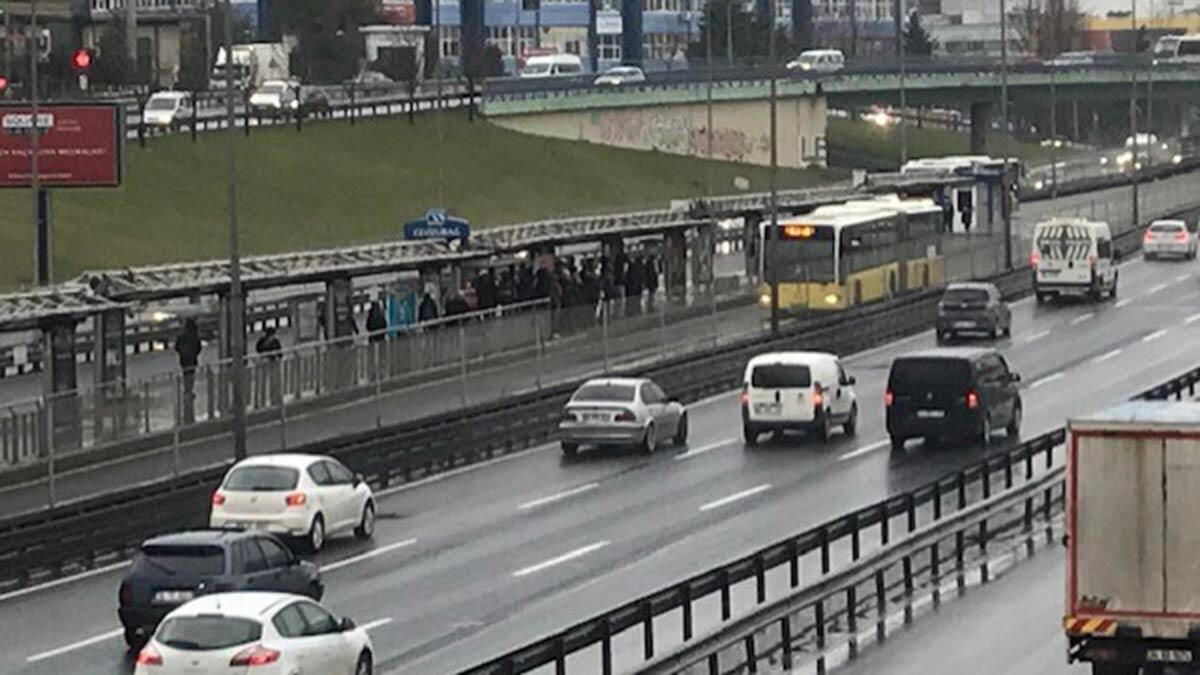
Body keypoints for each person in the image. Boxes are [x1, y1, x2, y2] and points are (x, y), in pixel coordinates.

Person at [174, 318, 203, 425]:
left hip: (184, 359)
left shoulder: (181, 336)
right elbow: (199, 347)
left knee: (185, 374)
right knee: (191, 375)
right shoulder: (194, 335)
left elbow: (176, 347)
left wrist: (182, 352)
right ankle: (189, 390)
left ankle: (186, 390)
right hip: (192, 359)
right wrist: (194, 353)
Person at [254, 326, 283, 407]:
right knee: (270, 383)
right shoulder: (274, 341)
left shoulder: (262, 341)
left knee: (265, 383)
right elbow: (280, 353)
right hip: (270, 363)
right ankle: (270, 400)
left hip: (266, 363)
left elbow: (258, 349)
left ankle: (264, 401)